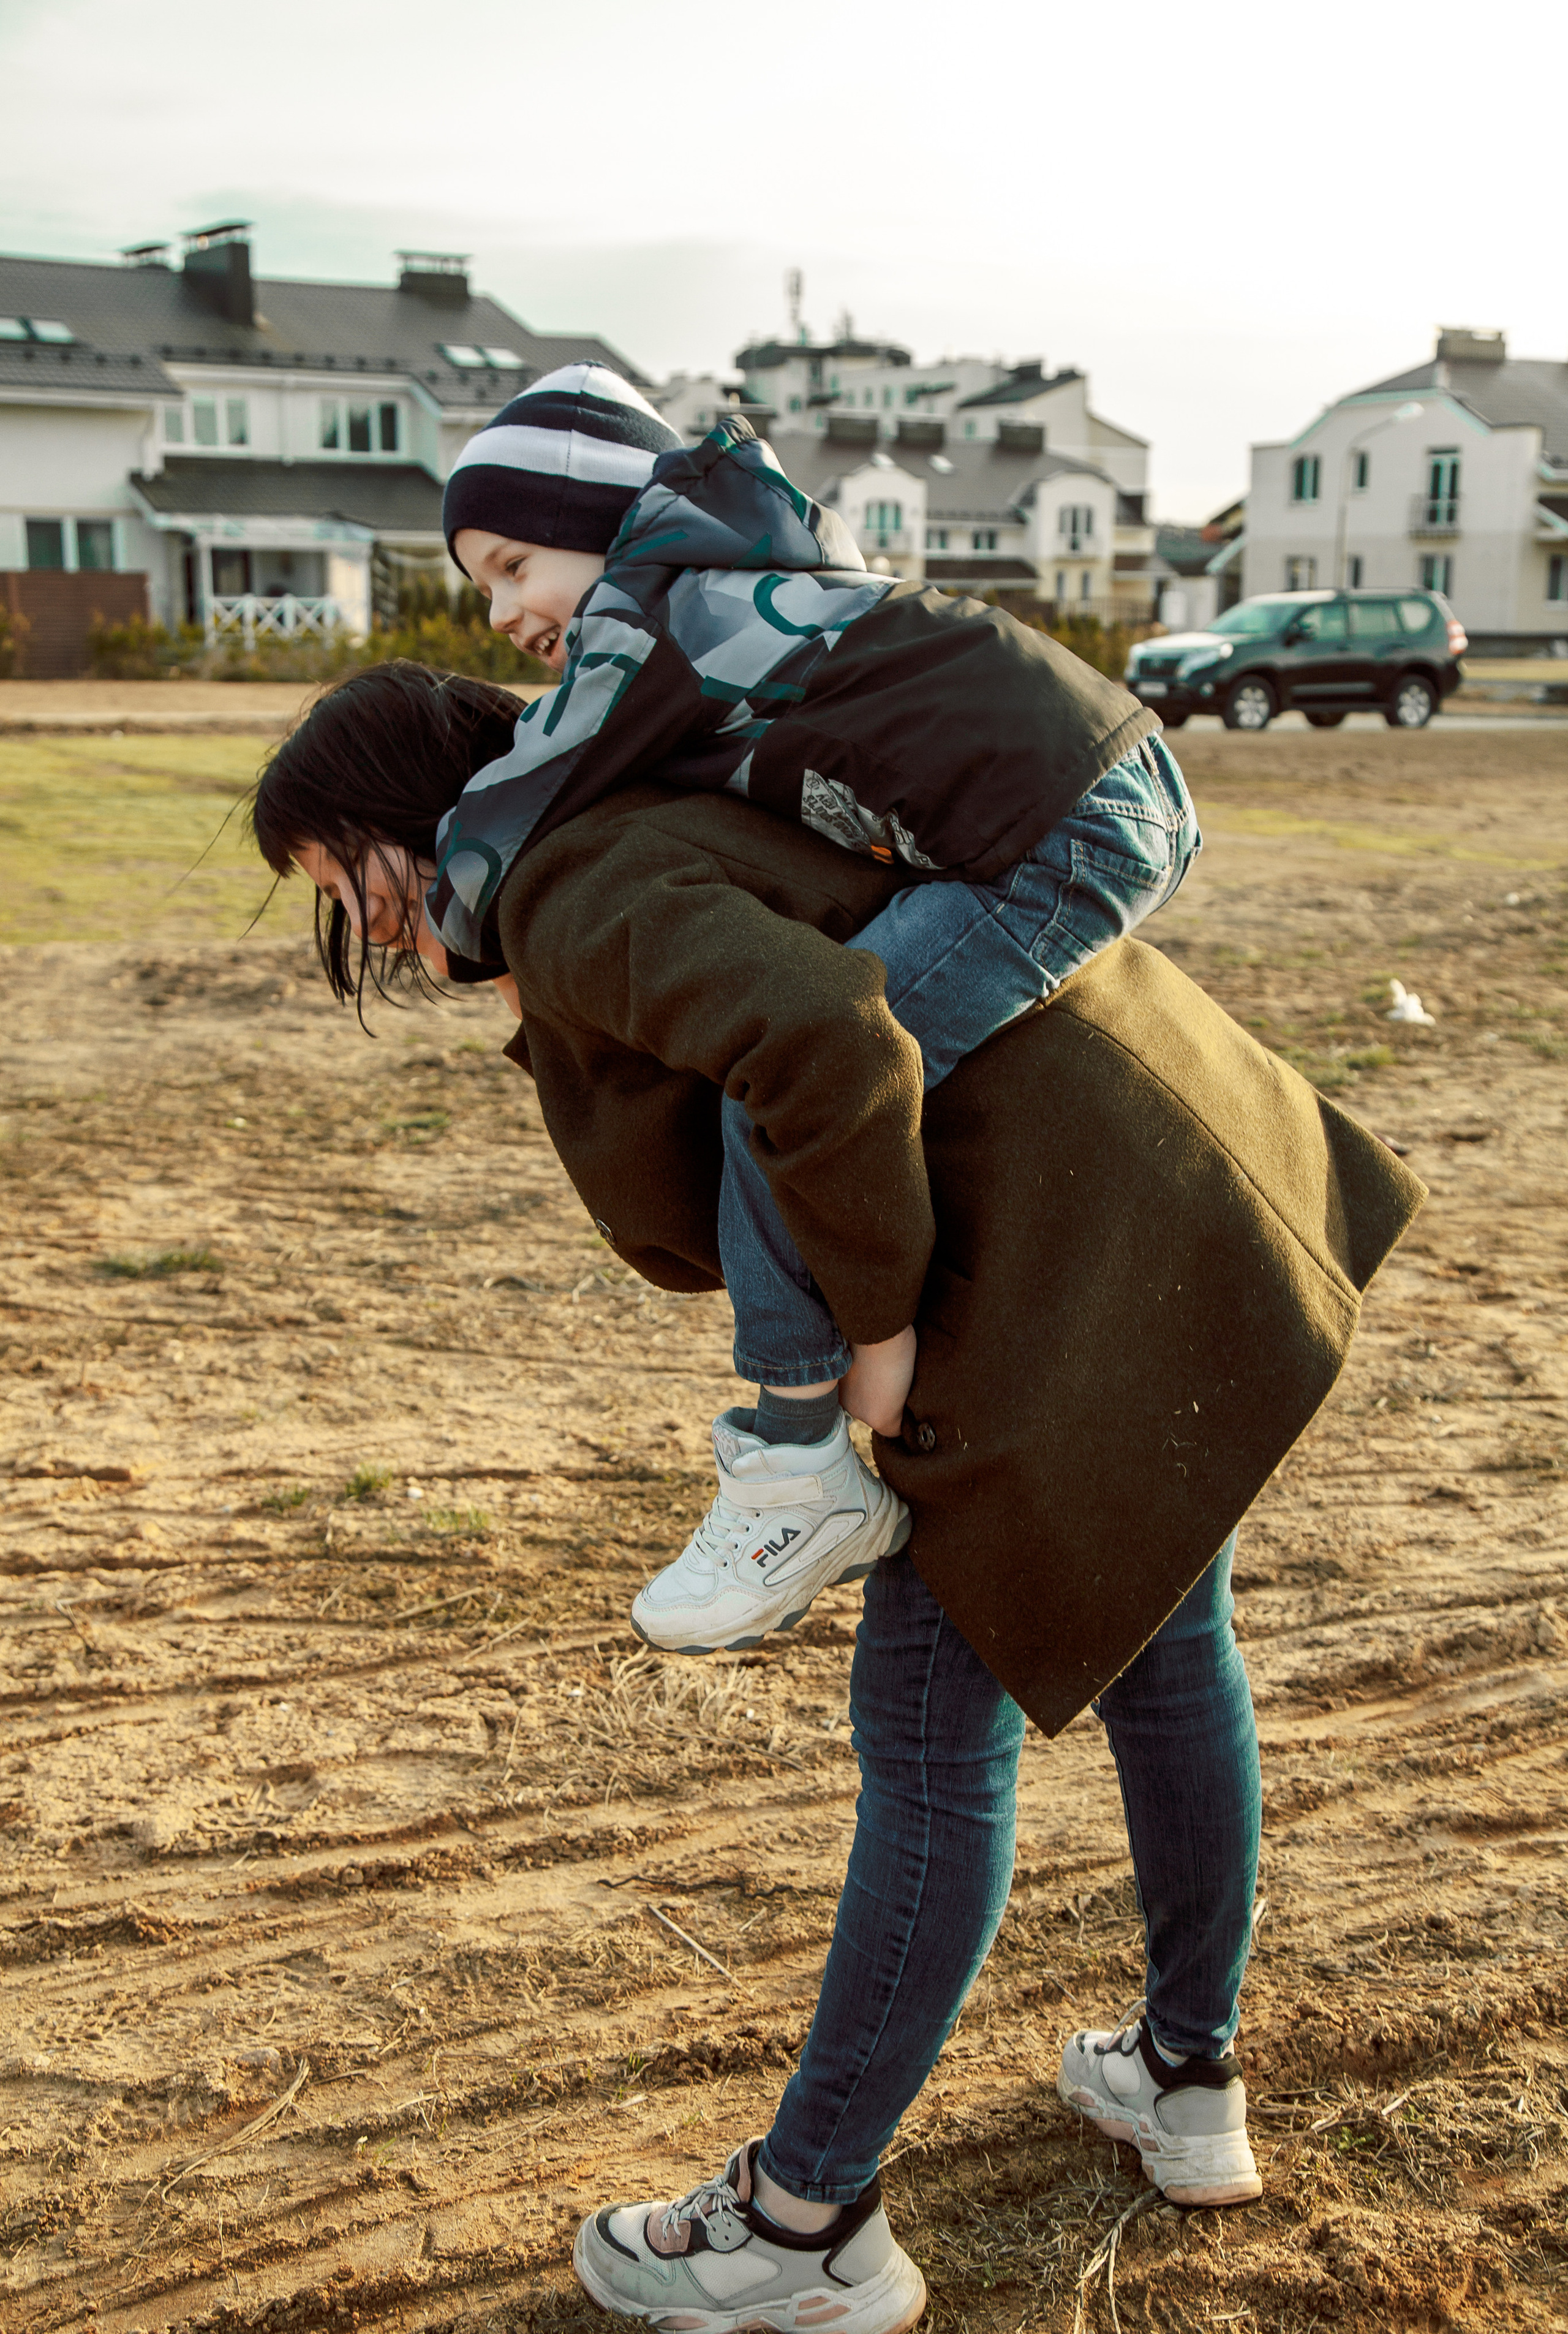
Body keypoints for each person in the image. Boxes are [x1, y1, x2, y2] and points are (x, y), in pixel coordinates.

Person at [250, 665, 1423, 2334]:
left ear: (416, 817)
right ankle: (1186, 2078)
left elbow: (821, 1046)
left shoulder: (582, 882)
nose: (379, 945)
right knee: (1173, 1654)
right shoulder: (636, 829)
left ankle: (806, 2224)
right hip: (1165, 1196)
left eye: (354, 890)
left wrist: (853, 1356)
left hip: (1041, 1273)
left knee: (934, 1750)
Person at [432, 363, 1199, 1658]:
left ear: (602, 513)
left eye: (513, 565)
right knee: (814, 1073)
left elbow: (533, 786)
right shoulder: (729, 571)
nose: (503, 610)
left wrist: (465, 932)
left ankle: (794, 1463)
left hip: (1058, 832)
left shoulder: (657, 608)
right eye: (483, 589)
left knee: (785, 1092)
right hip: (1084, 794)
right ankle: (820, 1423)